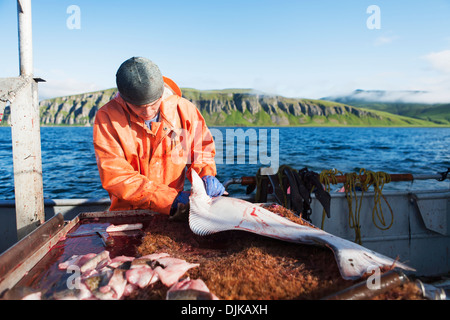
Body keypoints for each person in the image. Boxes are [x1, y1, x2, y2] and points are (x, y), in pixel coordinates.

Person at [93, 57, 225, 216]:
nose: (148, 112)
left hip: (175, 212)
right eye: (139, 107)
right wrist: (170, 199)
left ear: (161, 93)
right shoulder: (107, 117)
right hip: (128, 214)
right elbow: (116, 175)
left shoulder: (185, 109)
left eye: (153, 104)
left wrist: (206, 174)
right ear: (125, 99)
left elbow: (201, 149)